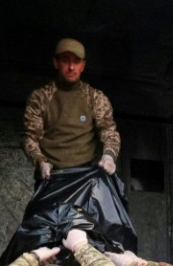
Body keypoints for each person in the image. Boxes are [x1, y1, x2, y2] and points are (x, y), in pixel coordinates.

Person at [21, 38, 121, 189]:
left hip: (85, 179)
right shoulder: (40, 97)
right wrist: (40, 162)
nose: (71, 67)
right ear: (56, 63)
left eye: (77, 61)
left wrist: (109, 156)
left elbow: (109, 132)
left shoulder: (95, 98)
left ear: (83, 66)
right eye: (66, 61)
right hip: (50, 178)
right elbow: (29, 137)